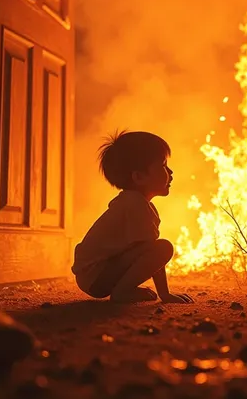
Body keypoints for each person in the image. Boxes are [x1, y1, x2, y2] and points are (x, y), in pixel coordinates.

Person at [72, 130, 193, 304]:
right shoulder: (135, 205)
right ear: (138, 177)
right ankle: (122, 292)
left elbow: (145, 252)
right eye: (163, 166)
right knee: (164, 247)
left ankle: (123, 288)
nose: (171, 172)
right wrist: (165, 295)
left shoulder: (137, 203)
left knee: (156, 247)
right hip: (96, 276)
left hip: (94, 275)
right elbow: (153, 252)